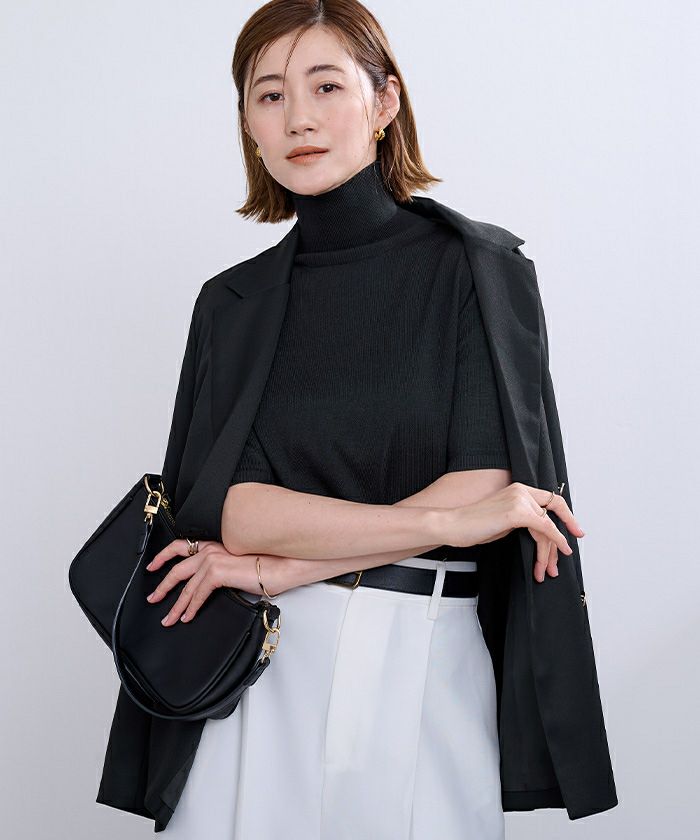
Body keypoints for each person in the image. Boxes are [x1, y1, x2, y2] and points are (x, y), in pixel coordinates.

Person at [95, 2, 617, 836]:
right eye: (269, 95)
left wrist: (277, 568)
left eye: (326, 86)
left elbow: (486, 475)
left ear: (385, 103)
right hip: (258, 669)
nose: (298, 117)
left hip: (426, 655)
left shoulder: (478, 269)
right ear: (248, 126)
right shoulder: (232, 304)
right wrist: (443, 521)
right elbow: (236, 509)